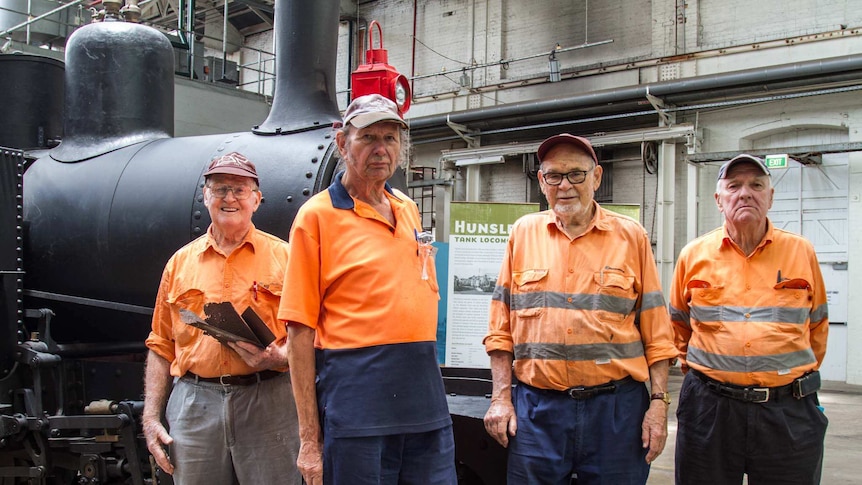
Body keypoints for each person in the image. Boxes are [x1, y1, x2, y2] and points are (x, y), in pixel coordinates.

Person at [280, 93, 456, 485]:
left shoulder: (407, 208)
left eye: (390, 139)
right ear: (342, 144)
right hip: (357, 404)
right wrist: (310, 439)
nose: (381, 149)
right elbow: (298, 330)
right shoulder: (317, 217)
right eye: (368, 138)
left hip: (423, 397)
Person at [483, 133, 679, 484]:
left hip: (616, 413)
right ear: (542, 182)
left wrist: (659, 404)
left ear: (597, 178)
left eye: (576, 174)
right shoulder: (523, 234)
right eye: (554, 176)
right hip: (537, 412)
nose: (565, 186)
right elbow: (500, 330)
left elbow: (658, 333)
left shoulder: (630, 237)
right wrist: (501, 398)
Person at [142, 152, 301, 484]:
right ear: (205, 197)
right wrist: (150, 417)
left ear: (256, 199)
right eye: (220, 188)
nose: (230, 198)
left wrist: (280, 356)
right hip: (194, 405)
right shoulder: (179, 264)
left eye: (240, 190)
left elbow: (312, 335)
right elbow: (160, 345)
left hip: (270, 400)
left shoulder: (286, 258)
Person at [669, 154, 829, 485]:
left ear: (770, 197)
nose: (745, 193)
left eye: (756, 185)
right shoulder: (693, 255)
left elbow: (817, 326)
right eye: (734, 186)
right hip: (710, 410)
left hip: (787, 411)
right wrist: (709, 376)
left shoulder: (801, 252)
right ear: (719, 199)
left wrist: (784, 374)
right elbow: (677, 326)